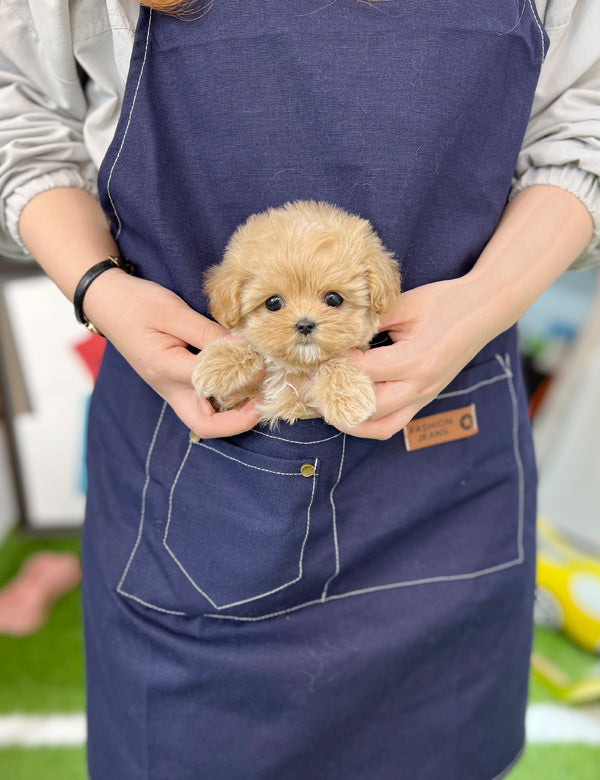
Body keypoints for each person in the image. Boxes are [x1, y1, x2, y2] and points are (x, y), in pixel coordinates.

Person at [1, 1, 599, 777]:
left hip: (444, 457)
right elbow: (22, 115)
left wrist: (481, 306)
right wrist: (100, 290)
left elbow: (583, 130)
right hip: (201, 469)